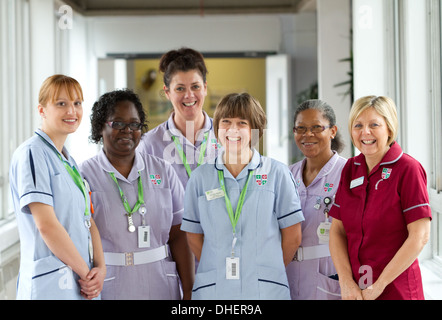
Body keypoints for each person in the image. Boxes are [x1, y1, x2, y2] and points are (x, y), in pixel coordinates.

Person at [181, 93, 304, 299]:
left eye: (242, 123)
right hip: (215, 290)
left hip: (265, 291)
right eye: (226, 122)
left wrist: (266, 270)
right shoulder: (200, 177)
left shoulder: (277, 173)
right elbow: (193, 234)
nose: (232, 129)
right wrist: (218, 264)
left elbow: (293, 236)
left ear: (255, 129)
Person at [80, 89, 194, 299]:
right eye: (118, 124)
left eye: (134, 124)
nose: (127, 131)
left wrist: (188, 291)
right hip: (112, 285)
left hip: (161, 284)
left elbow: (179, 234)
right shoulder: (84, 175)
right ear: (99, 127)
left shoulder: (163, 170)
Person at [9, 74, 105, 300]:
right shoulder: (33, 153)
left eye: (77, 103)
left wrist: (101, 268)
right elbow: (47, 226)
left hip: (79, 282)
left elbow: (87, 220)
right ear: (42, 110)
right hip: (51, 286)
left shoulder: (68, 161)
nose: (72, 111)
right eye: (61, 104)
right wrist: (86, 275)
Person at [329, 95, 432, 300]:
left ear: (389, 128)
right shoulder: (351, 168)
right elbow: (337, 231)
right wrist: (346, 282)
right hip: (358, 292)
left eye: (374, 124)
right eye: (358, 125)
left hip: (397, 291)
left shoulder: (408, 169)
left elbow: (419, 236)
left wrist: (379, 285)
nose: (365, 132)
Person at [286, 100, 347, 299]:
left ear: (332, 131)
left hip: (327, 276)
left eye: (316, 128)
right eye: (301, 128)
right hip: (289, 275)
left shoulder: (348, 173)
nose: (307, 134)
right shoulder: (287, 174)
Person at [137, 47, 219, 188]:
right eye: (180, 88)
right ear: (167, 92)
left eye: (195, 87)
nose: (189, 95)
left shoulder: (225, 136)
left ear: (205, 88)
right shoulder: (150, 145)